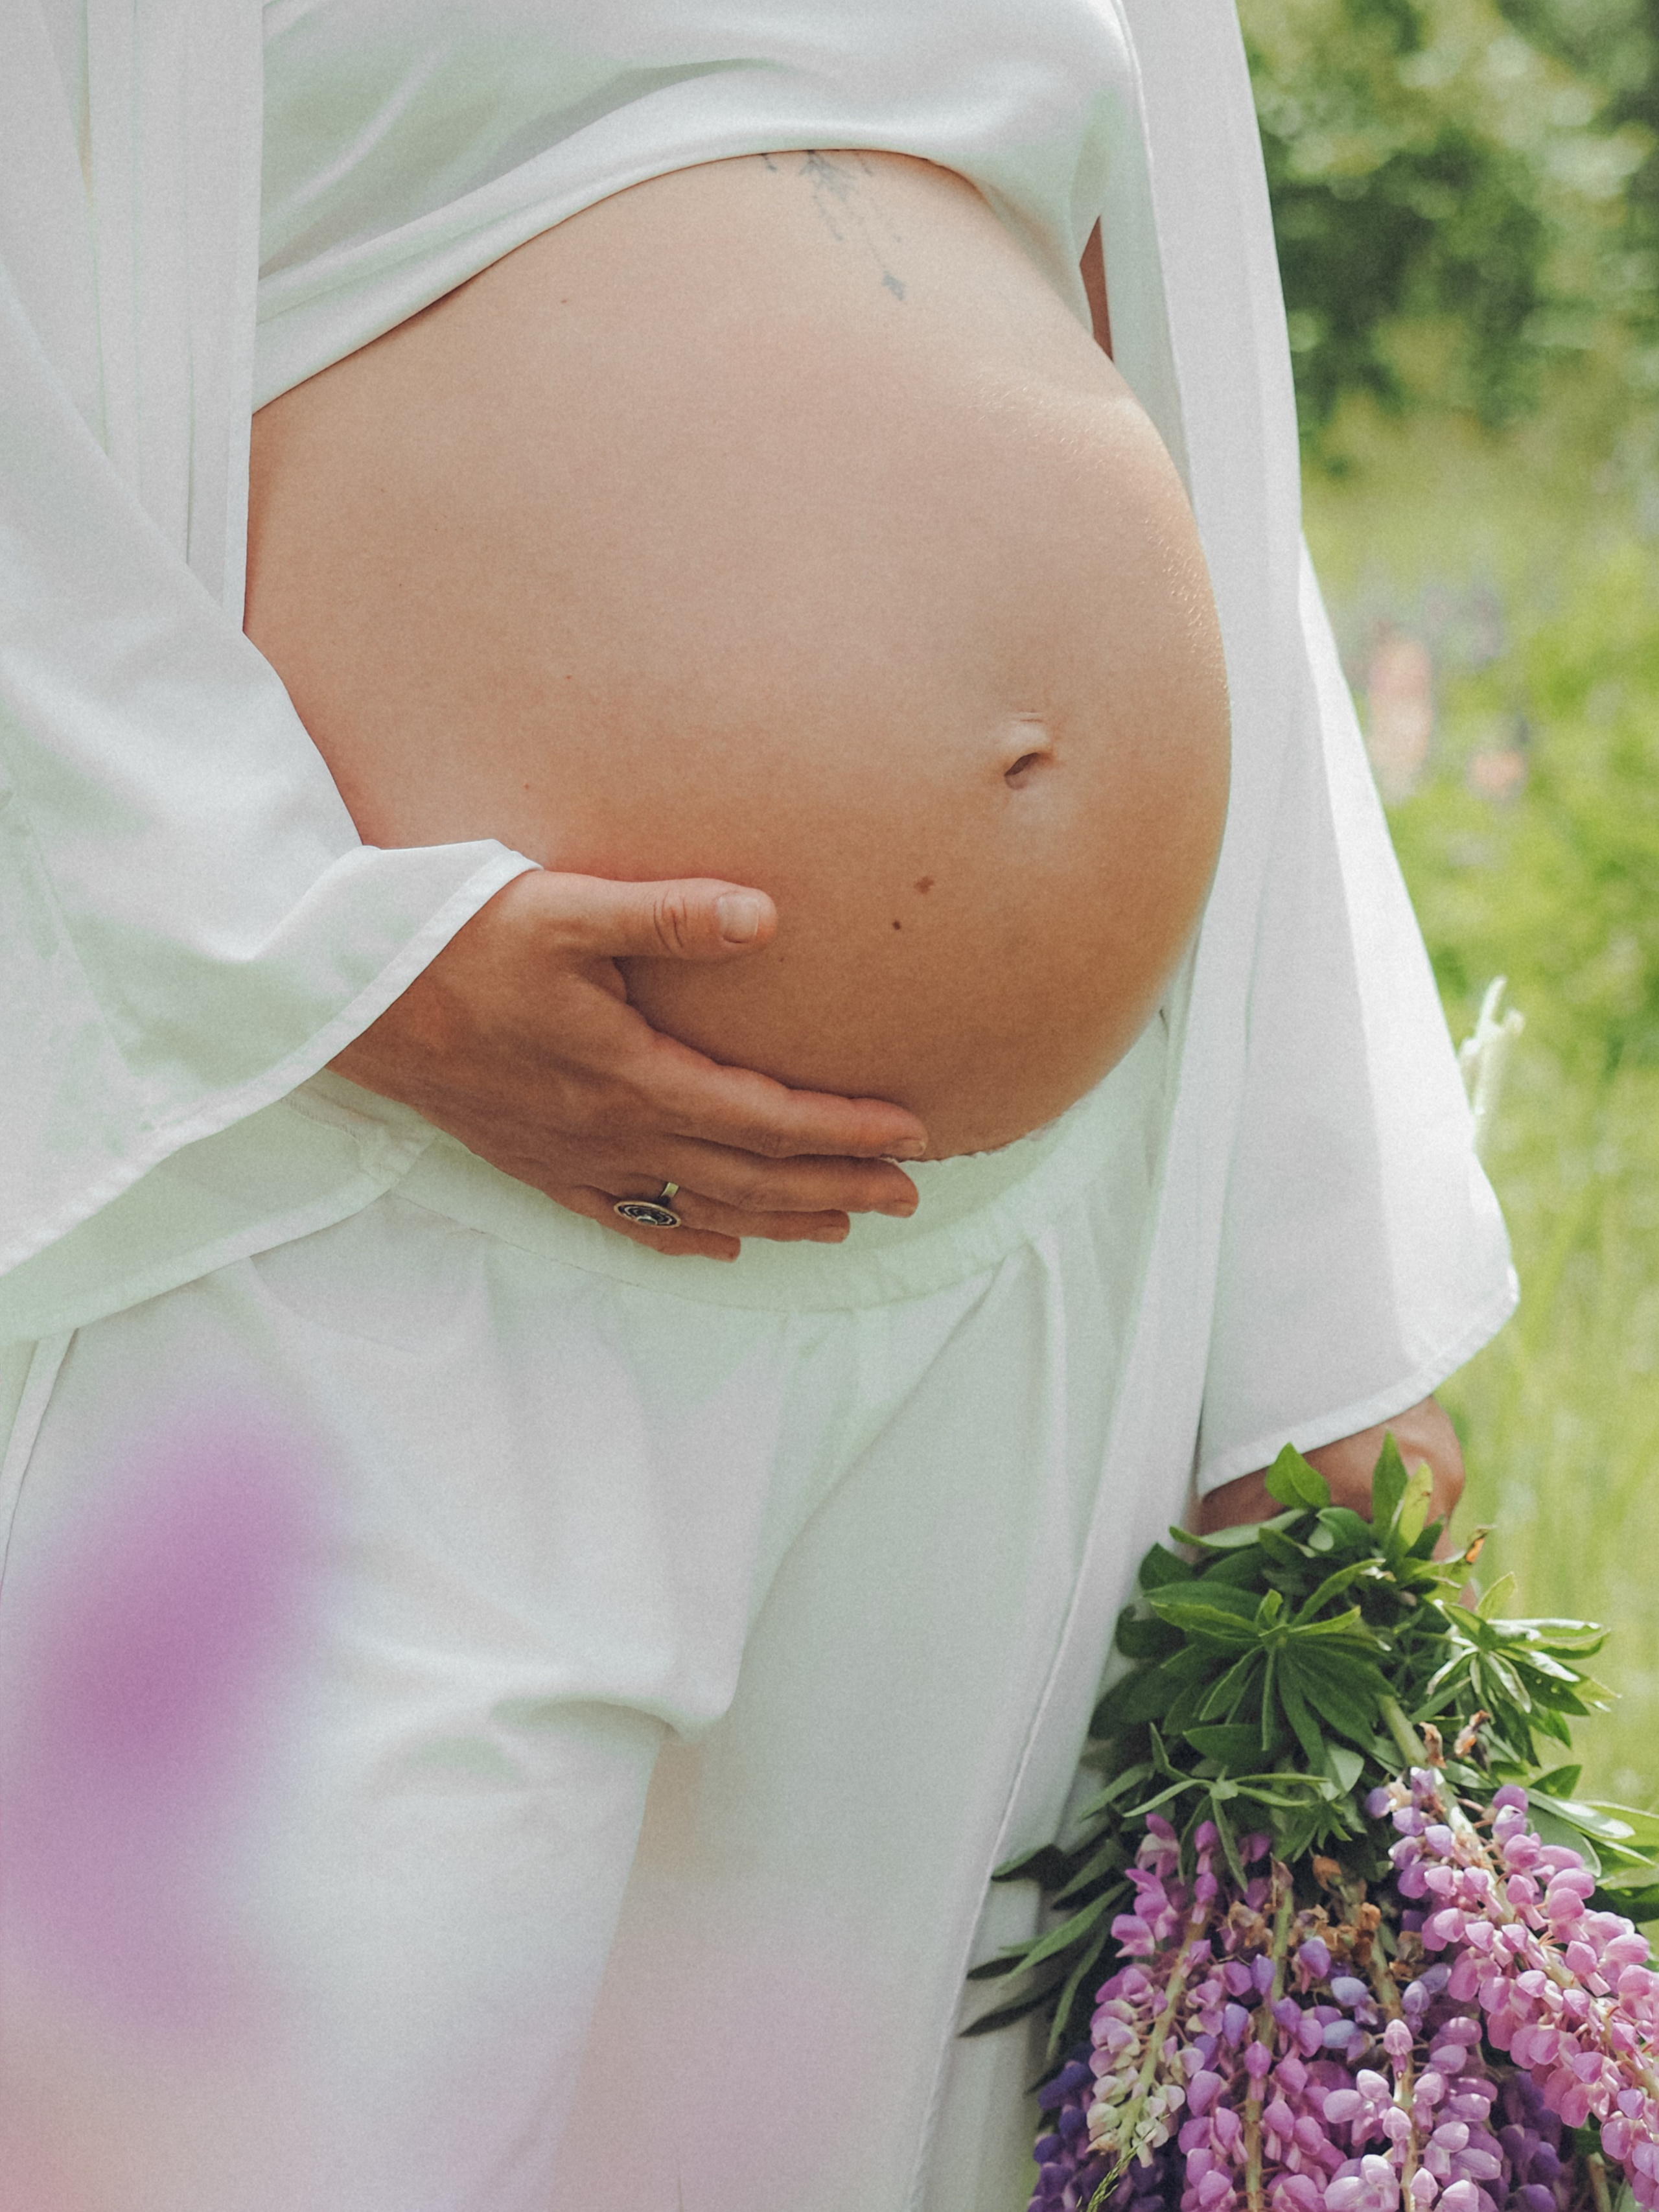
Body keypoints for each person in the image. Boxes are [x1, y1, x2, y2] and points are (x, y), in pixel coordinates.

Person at [0, 3, 1514, 2207]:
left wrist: (1314, 1286)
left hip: (1014, 1277)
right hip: (358, 1209)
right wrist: (300, 949)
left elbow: (1186, 370)